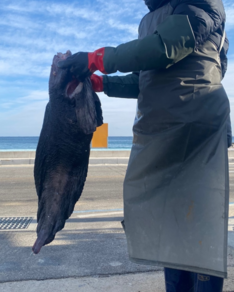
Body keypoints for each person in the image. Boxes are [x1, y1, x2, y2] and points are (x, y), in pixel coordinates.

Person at [58, 0, 231, 291]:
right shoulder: (150, 17)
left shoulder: (201, 3)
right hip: (160, 130)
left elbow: (165, 47)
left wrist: (96, 59)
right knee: (170, 224)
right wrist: (103, 84)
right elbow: (146, 78)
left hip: (196, 129)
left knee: (200, 225)